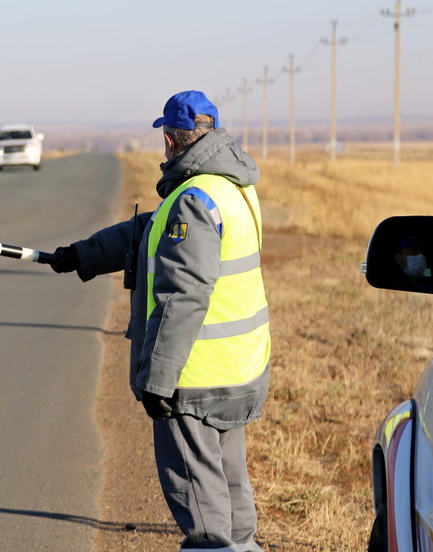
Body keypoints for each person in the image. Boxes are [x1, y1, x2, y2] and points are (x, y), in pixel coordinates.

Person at [50, 90, 270, 552]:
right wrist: (82, 255)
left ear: (170, 141)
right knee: (230, 494)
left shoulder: (192, 201)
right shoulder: (230, 188)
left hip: (195, 379)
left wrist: (158, 380)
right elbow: (148, 227)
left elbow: (182, 295)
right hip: (240, 371)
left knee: (204, 514)